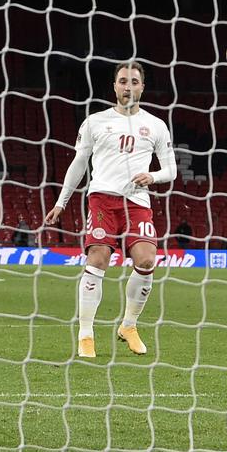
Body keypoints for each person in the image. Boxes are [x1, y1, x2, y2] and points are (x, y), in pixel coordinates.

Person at [44, 60, 177, 359]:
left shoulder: (156, 125)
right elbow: (79, 163)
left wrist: (152, 176)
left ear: (142, 86)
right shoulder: (95, 121)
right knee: (98, 258)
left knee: (146, 260)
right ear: (114, 86)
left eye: (133, 81)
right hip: (103, 200)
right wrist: (61, 201)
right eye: (122, 81)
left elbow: (171, 170)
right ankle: (86, 334)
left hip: (137, 202)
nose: (128, 86)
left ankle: (128, 326)